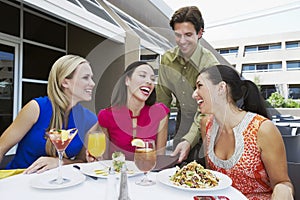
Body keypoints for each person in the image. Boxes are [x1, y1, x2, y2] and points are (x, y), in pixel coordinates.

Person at [193, 64, 294, 199]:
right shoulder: (206, 124)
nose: (194, 94)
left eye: (200, 86)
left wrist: (282, 190)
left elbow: (283, 183)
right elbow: (211, 177)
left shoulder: (263, 129)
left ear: (221, 88)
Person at [0, 55, 98, 173]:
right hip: (19, 179)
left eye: (91, 78)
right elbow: (1, 148)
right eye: (85, 77)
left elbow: (82, 161)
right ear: (65, 82)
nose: (92, 83)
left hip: (58, 184)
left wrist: (60, 162)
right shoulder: (36, 108)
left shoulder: (89, 120)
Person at [156, 6, 219, 161]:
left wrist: (189, 140)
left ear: (200, 33)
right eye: (178, 35)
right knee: (177, 168)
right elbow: (162, 105)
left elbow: (207, 110)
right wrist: (159, 153)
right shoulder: (167, 60)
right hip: (182, 120)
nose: (182, 41)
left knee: (201, 171)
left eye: (188, 35)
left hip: (209, 120)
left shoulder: (209, 63)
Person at [96, 61, 169, 161]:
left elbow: (160, 157)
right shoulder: (107, 115)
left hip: (147, 174)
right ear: (127, 80)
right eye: (142, 76)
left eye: (152, 79)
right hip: (117, 174)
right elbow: (103, 158)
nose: (149, 81)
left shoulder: (159, 113)